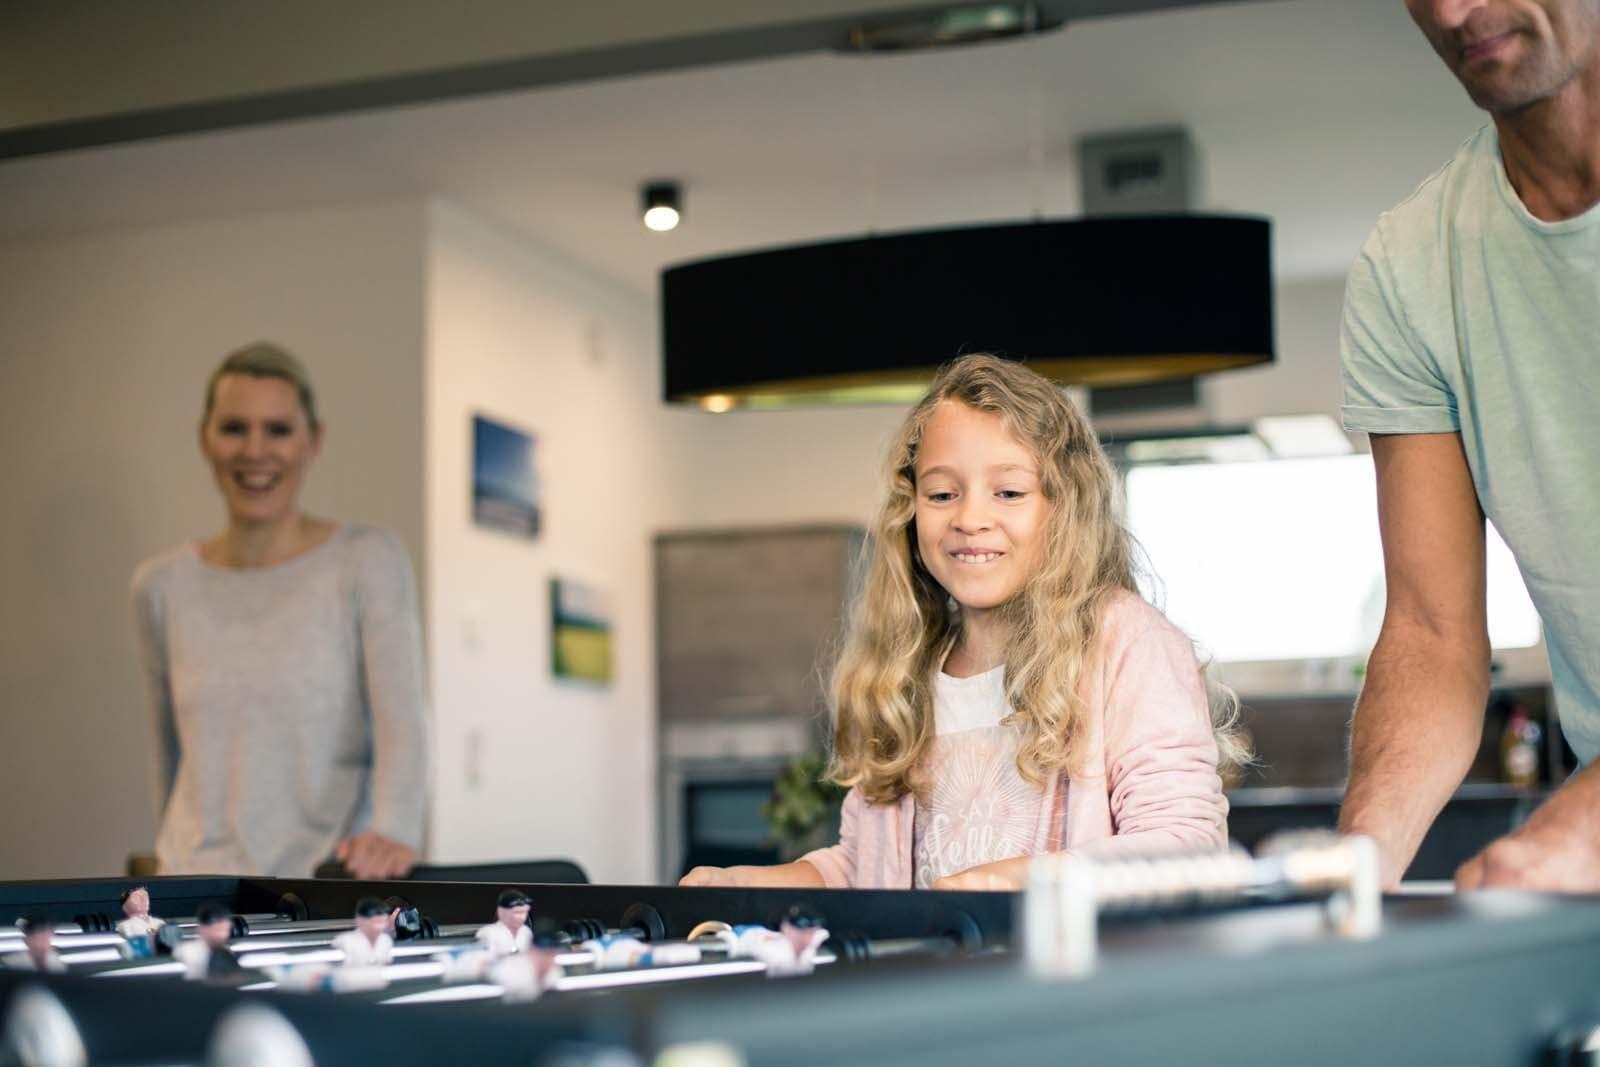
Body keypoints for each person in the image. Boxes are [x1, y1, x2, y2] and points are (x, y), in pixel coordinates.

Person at [681, 354, 1238, 891]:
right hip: (933, 987)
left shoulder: (1129, 642)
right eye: (943, 493)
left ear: (1064, 505)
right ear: (912, 508)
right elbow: (864, 869)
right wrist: (751, 883)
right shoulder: (904, 670)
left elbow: (1183, 845)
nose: (970, 519)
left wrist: (1013, 883)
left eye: (1009, 492)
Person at [1336, 0, 1600, 892]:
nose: (1453, 11)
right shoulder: (1412, 268)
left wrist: (1582, 830)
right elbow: (1433, 631)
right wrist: (1356, 867)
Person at [131, 342, 427, 879]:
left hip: (321, 892)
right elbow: (167, 757)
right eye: (234, 428)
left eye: (278, 430)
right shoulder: (160, 585)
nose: (255, 450)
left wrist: (395, 831)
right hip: (193, 887)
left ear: (313, 440)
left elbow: (403, 725)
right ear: (205, 438)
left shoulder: (366, 562)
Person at [173, 901, 242, 981]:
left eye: (225, 930)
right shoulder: (185, 951)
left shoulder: (228, 953)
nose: (222, 935)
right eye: (217, 929)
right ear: (201, 929)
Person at [330, 897, 395, 968]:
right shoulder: (343, 941)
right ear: (361, 920)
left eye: (384, 921)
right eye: (376, 922)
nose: (381, 927)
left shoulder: (385, 940)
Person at [475, 890, 533, 955]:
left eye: (524, 912)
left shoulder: (526, 932)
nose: (522, 917)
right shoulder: (486, 933)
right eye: (517, 912)